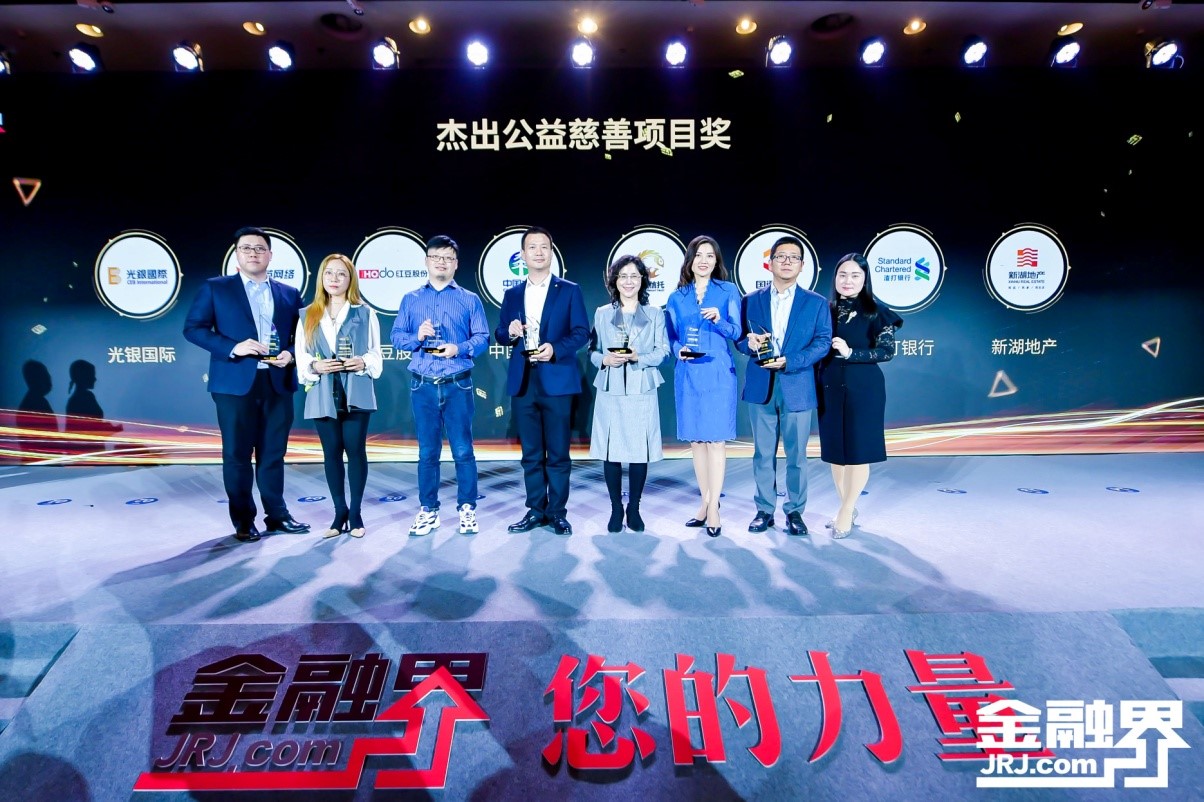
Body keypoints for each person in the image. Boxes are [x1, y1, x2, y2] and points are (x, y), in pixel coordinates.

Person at [183, 226, 309, 543]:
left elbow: (303, 337)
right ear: (237, 254)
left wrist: (290, 354)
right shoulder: (216, 288)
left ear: (270, 255)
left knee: (273, 454)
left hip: (277, 382)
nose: (253, 253)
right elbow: (194, 328)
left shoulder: (289, 293)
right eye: (246, 248)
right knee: (237, 455)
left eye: (259, 248)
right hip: (234, 384)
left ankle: (277, 515)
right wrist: (233, 347)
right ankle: (243, 520)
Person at [391, 235, 490, 537]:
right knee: (427, 452)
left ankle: (467, 508)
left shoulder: (469, 299)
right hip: (422, 385)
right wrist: (417, 337)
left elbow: (482, 338)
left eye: (448, 257)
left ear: (456, 263)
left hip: (457, 383)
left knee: (463, 450)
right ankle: (428, 510)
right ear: (427, 261)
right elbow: (396, 337)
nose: (442, 262)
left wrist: (458, 348)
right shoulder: (411, 299)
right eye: (436, 257)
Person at [494, 226, 589, 536]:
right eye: (532, 247)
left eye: (544, 247)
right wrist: (509, 333)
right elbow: (500, 334)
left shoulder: (569, 290)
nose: (538, 252)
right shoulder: (512, 294)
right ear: (522, 255)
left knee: (559, 452)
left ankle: (557, 513)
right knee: (531, 454)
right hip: (524, 381)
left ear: (551, 252)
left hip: (557, 378)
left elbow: (581, 332)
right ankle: (535, 511)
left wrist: (555, 349)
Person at [737, 236, 832, 538]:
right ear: (770, 262)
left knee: (797, 456)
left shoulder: (816, 303)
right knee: (762, 454)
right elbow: (740, 339)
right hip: (761, 385)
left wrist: (791, 361)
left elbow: (823, 342)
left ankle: (795, 511)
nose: (787, 261)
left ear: (802, 266)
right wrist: (749, 344)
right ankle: (764, 510)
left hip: (797, 384)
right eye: (781, 256)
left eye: (794, 257)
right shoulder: (750, 300)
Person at [295, 253, 382, 539]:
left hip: (356, 391)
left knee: (355, 452)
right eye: (329, 273)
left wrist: (362, 362)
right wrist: (314, 366)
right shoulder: (307, 314)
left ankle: (355, 513)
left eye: (341, 274)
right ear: (321, 277)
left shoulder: (365, 312)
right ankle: (339, 512)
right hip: (322, 392)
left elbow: (376, 355)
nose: (334, 279)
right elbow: (301, 357)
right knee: (331, 453)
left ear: (350, 279)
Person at [817, 252, 903, 539]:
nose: (848, 280)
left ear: (865, 279)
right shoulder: (824, 310)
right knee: (835, 452)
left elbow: (887, 351)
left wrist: (851, 352)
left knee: (857, 452)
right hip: (829, 387)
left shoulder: (876, 311)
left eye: (855, 275)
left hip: (863, 389)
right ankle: (847, 507)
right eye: (842, 274)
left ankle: (845, 511)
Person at [664, 235, 741, 537]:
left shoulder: (728, 291)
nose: (704, 260)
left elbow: (736, 332)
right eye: (699, 255)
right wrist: (677, 350)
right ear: (690, 260)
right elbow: (671, 335)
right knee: (697, 441)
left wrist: (719, 320)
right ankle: (706, 502)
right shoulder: (677, 297)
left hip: (718, 373)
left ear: (716, 260)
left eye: (710, 255)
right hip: (688, 373)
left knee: (716, 441)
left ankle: (714, 509)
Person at [588, 254, 669, 532]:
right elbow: (592, 351)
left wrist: (638, 357)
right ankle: (615, 508)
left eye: (634, 276)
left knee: (638, 451)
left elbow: (663, 352)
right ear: (615, 281)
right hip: (610, 388)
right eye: (623, 276)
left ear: (643, 280)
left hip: (641, 387)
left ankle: (634, 508)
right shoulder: (602, 313)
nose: (629, 281)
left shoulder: (655, 314)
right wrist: (604, 359)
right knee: (610, 450)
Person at [65, 359, 123, 452]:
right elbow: (86, 429)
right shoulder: (83, 398)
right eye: (92, 375)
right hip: (88, 450)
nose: (95, 379)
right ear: (84, 377)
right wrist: (109, 428)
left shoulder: (79, 398)